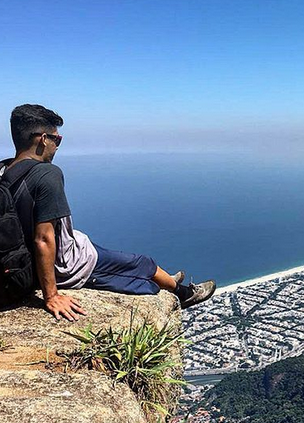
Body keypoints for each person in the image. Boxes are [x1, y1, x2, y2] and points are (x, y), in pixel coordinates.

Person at [0, 104, 215, 321]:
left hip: (25, 261)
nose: (57, 147)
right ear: (43, 139)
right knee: (143, 264)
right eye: (57, 140)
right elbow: (44, 239)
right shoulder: (47, 174)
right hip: (65, 263)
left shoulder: (4, 171)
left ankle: (167, 279)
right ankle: (182, 293)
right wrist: (51, 295)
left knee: (123, 258)